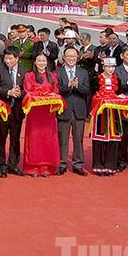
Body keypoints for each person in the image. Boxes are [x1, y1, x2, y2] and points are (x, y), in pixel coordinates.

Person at [22, 52, 60, 177]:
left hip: (48, 113)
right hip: (35, 112)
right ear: (34, 62)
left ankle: (46, 166)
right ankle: (32, 166)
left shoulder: (52, 76)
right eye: (39, 61)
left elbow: (56, 92)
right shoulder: (29, 76)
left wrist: (51, 96)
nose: (41, 63)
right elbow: (28, 91)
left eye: (44, 61)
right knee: (34, 138)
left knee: (48, 138)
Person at [89, 58, 127, 176]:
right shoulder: (96, 79)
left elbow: (119, 94)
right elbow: (92, 95)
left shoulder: (117, 80)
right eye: (108, 67)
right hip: (100, 114)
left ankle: (110, 166)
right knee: (100, 139)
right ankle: (99, 166)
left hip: (114, 113)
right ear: (103, 67)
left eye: (112, 67)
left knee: (113, 140)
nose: (111, 69)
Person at [56, 46, 90, 176]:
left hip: (79, 110)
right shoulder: (57, 73)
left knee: (78, 139)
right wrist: (67, 86)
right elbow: (56, 90)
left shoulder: (83, 72)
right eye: (69, 56)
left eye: (74, 57)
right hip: (63, 109)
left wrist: (77, 86)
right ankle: (62, 163)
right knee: (62, 139)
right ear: (63, 58)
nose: (71, 59)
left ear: (78, 58)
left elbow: (87, 90)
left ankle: (78, 164)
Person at [0, 47, 25, 177]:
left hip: (17, 110)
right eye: (6, 58)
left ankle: (13, 164)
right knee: (1, 138)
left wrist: (19, 93)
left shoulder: (24, 71)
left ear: (17, 58)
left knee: (15, 139)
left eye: (11, 58)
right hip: (3, 109)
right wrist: (8, 92)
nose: (8, 61)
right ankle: (2, 165)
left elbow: (27, 89)